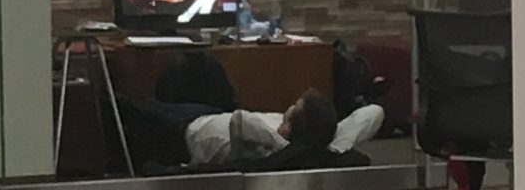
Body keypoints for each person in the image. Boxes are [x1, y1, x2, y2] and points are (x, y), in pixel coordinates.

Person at [119, 88, 382, 167]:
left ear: (290, 128)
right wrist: (337, 143)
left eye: (294, 106)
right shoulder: (323, 140)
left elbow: (241, 120)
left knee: (127, 105)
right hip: (206, 116)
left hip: (184, 132)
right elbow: (374, 112)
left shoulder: (269, 144)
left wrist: (284, 146)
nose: (288, 107)